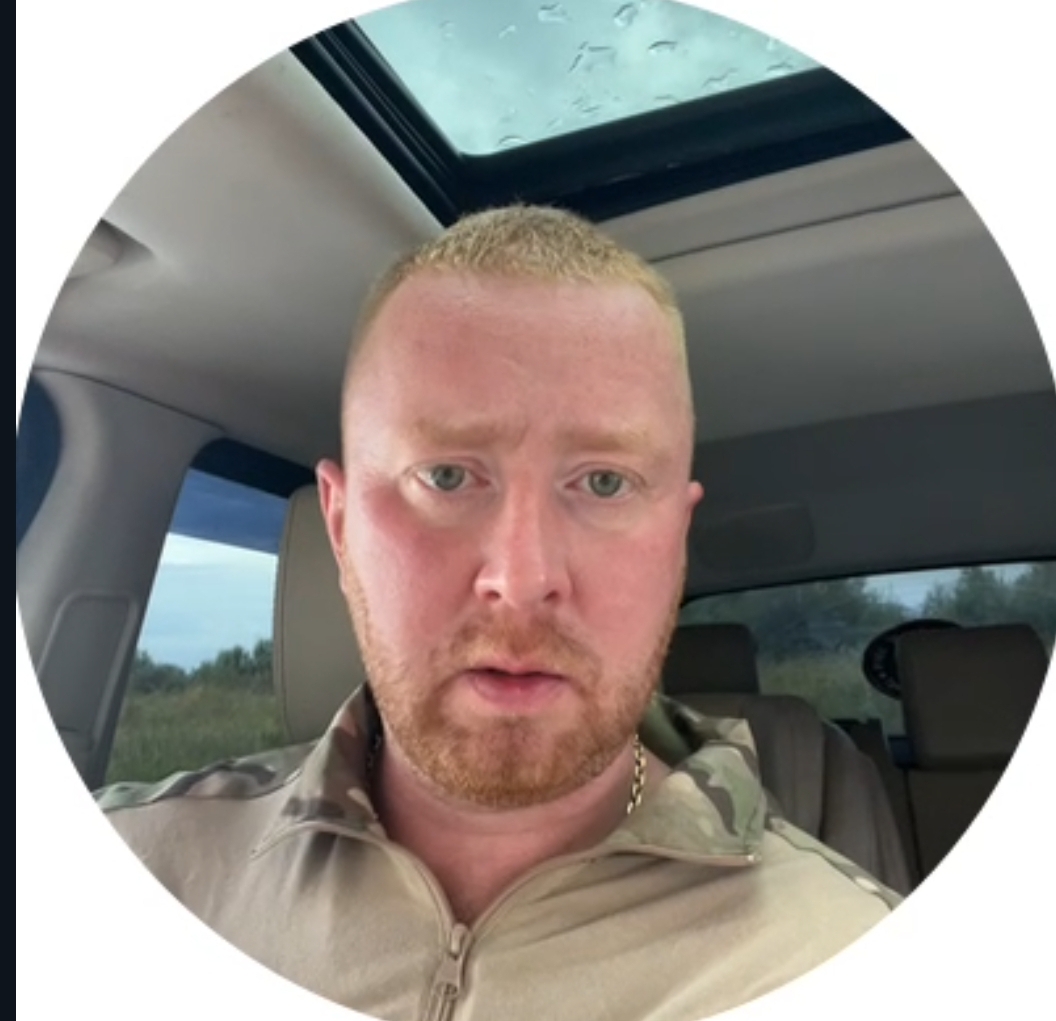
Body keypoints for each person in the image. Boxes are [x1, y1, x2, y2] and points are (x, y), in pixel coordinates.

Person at [96, 205, 899, 1021]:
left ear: (676, 542)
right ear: (341, 528)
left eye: (605, 481)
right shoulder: (123, 875)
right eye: (446, 476)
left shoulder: (841, 951)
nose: (521, 579)